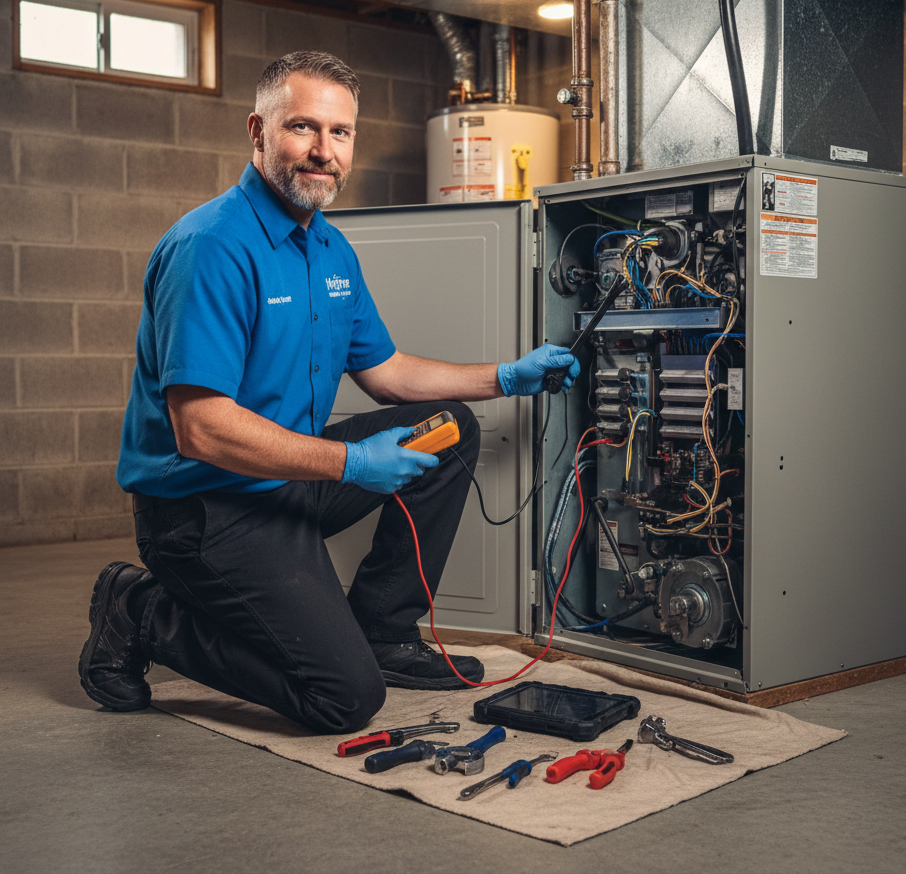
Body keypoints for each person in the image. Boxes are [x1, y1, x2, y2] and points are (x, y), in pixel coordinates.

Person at [78, 50, 579, 734]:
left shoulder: (331, 249)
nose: (323, 151)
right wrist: (352, 463)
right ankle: (140, 611)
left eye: (339, 132)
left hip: (289, 480)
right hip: (204, 509)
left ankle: (384, 629)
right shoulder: (211, 247)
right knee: (344, 698)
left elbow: (387, 372)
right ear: (258, 131)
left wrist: (507, 376)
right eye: (302, 128)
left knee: (450, 426)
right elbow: (202, 428)